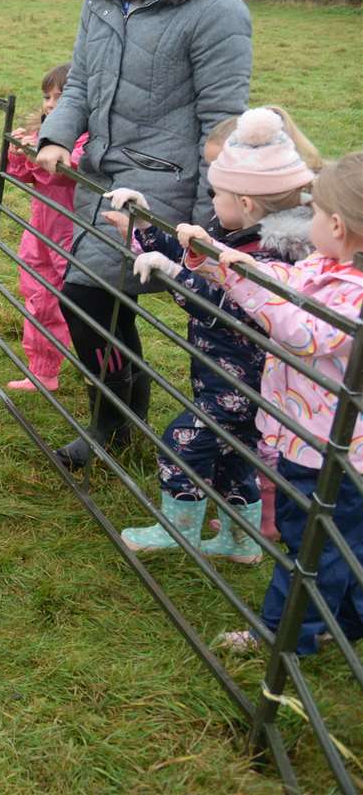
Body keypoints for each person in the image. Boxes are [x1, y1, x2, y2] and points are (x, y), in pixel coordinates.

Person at [35, 0, 251, 469]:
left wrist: (216, 221)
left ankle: (115, 420)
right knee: (94, 301)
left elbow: (224, 123)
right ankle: (123, 409)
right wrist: (54, 136)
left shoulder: (215, 10)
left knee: (86, 297)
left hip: (162, 183)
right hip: (99, 173)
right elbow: (80, 80)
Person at [109, 109, 317, 562]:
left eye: (215, 192)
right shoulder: (237, 234)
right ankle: (240, 541)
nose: (209, 199)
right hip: (220, 375)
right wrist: (144, 223)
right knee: (232, 460)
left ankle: (176, 529)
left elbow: (227, 305)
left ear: (245, 202)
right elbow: (192, 261)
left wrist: (172, 275)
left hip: (245, 384)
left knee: (181, 443)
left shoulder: (272, 259)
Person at [177, 151, 363, 656]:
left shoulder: (357, 295)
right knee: (337, 544)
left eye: (317, 212)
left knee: (312, 550)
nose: (309, 219)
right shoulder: (327, 265)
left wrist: (245, 281)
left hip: (333, 454)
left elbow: (303, 331)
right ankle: (343, 623)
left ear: (339, 226)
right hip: (315, 439)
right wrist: (224, 261)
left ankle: (284, 640)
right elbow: (286, 284)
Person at [4, 63, 87, 393]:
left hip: (72, 236)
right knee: (38, 296)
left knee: (78, 304)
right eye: (46, 96)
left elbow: (63, 170)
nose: (51, 104)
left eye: (61, 96)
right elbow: (25, 176)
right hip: (40, 232)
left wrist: (38, 152)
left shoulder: (85, 140)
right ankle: (43, 371)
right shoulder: (45, 135)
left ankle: (94, 363)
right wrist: (19, 153)